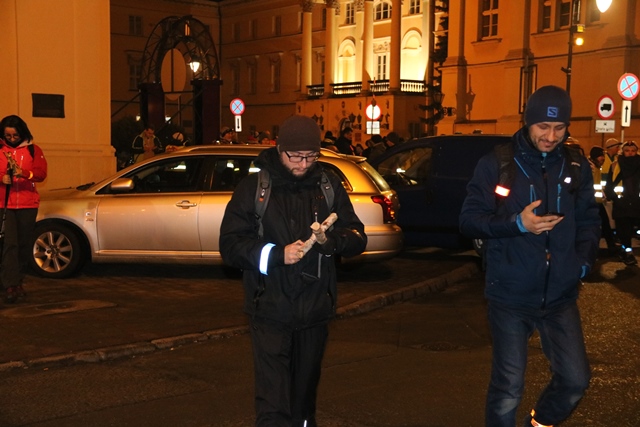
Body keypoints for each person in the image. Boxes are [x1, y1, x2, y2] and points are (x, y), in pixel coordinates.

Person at [459, 85, 600, 427]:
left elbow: (589, 220)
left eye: (559, 128)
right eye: (543, 127)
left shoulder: (576, 165)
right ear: (527, 121)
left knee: (575, 380)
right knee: (508, 388)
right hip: (510, 295)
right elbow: (469, 220)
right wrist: (517, 223)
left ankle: (537, 424)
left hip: (561, 296)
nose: (551, 136)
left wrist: (581, 263)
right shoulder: (497, 163)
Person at [219, 115, 367, 426]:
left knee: (303, 401)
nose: (303, 164)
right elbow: (230, 247)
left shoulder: (328, 185)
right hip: (269, 310)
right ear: (279, 149)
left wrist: (330, 242)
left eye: (311, 156)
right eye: (296, 156)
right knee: (274, 403)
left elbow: (357, 237)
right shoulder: (254, 188)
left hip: (315, 309)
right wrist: (276, 255)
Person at [0, 115, 48, 304]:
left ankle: (18, 280)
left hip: (28, 204)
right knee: (9, 244)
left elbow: (41, 173)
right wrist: (1, 178)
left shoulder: (33, 150)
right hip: (4, 204)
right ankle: (10, 284)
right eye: (8, 135)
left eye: (15, 135)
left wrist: (25, 173)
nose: (12, 139)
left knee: (23, 245)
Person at [604, 140, 640, 265]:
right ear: (622, 152)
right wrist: (613, 196)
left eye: (633, 151)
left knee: (632, 230)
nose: (630, 153)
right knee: (624, 231)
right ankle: (627, 252)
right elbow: (609, 184)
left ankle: (626, 251)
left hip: (636, 203)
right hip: (622, 203)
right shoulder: (615, 165)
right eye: (627, 151)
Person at [589, 146, 617, 254]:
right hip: (591, 202)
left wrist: (602, 194)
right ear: (595, 157)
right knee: (603, 223)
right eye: (601, 156)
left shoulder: (596, 167)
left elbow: (596, 185)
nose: (603, 159)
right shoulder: (591, 167)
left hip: (596, 201)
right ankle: (610, 245)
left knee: (604, 223)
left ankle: (610, 244)